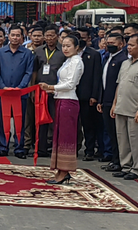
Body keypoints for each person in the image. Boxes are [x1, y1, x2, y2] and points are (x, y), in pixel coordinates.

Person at [39, 34, 83, 185]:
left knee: (66, 137)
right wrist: (51, 90)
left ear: (76, 47)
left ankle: (65, 170)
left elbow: (70, 84)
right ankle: (60, 169)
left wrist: (51, 87)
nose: (65, 48)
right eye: (63, 45)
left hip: (69, 101)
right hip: (61, 99)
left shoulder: (77, 61)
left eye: (68, 46)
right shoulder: (68, 61)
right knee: (59, 135)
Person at [110, 34, 138, 180]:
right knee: (122, 139)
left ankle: (137, 169)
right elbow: (119, 84)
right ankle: (126, 166)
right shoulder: (125, 63)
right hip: (121, 106)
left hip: (135, 108)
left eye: (132, 45)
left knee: (137, 140)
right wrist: (114, 104)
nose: (129, 47)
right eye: (128, 45)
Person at [0, 24, 34, 158]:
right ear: (8, 36)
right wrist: (2, 86)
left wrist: (20, 87)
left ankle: (19, 148)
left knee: (20, 121)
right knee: (2, 121)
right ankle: (3, 147)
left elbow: (28, 72)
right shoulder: (0, 53)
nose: (15, 38)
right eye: (13, 35)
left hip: (20, 93)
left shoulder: (28, 53)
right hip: (3, 92)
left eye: (18, 35)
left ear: (22, 37)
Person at [28, 25, 66, 157]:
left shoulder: (63, 51)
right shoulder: (38, 51)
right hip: (40, 90)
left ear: (57, 36)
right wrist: (32, 90)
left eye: (52, 35)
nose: (49, 38)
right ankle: (41, 148)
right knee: (41, 120)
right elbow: (34, 71)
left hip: (56, 90)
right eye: (47, 36)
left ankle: (56, 147)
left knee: (56, 120)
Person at [94, 33, 127, 172]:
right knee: (110, 132)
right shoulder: (108, 57)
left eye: (113, 43)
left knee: (117, 133)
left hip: (116, 101)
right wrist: (100, 99)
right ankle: (114, 159)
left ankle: (120, 161)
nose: (109, 45)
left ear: (121, 44)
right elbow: (103, 80)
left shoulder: (123, 59)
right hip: (105, 100)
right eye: (108, 42)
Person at [76, 27, 103, 161]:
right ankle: (73, 148)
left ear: (88, 39)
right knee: (74, 125)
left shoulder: (93, 54)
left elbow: (97, 77)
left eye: (83, 37)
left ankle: (90, 150)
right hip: (72, 95)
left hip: (87, 96)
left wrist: (94, 96)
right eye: (78, 37)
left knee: (88, 125)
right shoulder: (69, 53)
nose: (80, 40)